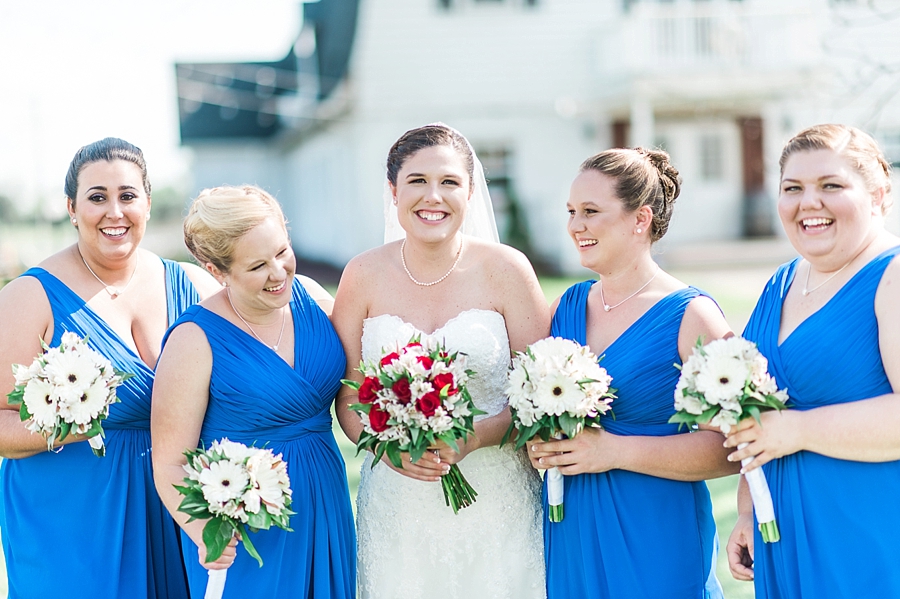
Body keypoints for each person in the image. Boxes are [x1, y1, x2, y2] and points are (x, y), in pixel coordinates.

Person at [332, 123, 551, 598]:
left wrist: (478, 436)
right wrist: (388, 447)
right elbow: (348, 398)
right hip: (397, 501)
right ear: (393, 191)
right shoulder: (361, 275)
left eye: (450, 182)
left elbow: (539, 395)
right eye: (417, 181)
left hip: (498, 497)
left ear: (471, 192)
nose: (434, 196)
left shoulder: (508, 270)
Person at [0, 137, 219, 598]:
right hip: (71, 522)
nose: (114, 212)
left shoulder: (195, 287)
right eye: (97, 198)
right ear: (72, 208)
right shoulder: (28, 297)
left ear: (148, 202)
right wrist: (73, 422)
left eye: (127, 196)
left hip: (174, 508)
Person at [527, 147, 737, 599]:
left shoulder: (693, 316)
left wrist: (614, 451)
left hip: (656, 528)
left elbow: (730, 447)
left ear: (640, 219)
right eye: (571, 212)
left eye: (590, 211)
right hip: (573, 526)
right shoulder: (564, 307)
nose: (575, 226)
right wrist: (538, 443)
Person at [151, 185, 355, 599]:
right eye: (258, 265)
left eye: (282, 252)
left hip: (325, 499)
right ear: (217, 270)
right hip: (247, 524)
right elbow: (169, 462)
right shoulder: (194, 339)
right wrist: (207, 533)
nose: (279, 273)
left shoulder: (315, 299)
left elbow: (356, 396)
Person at [724, 124, 900, 597]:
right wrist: (747, 508)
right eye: (793, 189)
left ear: (879, 194)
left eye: (831, 185)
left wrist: (797, 430)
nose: (809, 203)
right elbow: (751, 412)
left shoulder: (893, 275)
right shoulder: (781, 283)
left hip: (871, 536)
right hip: (782, 532)